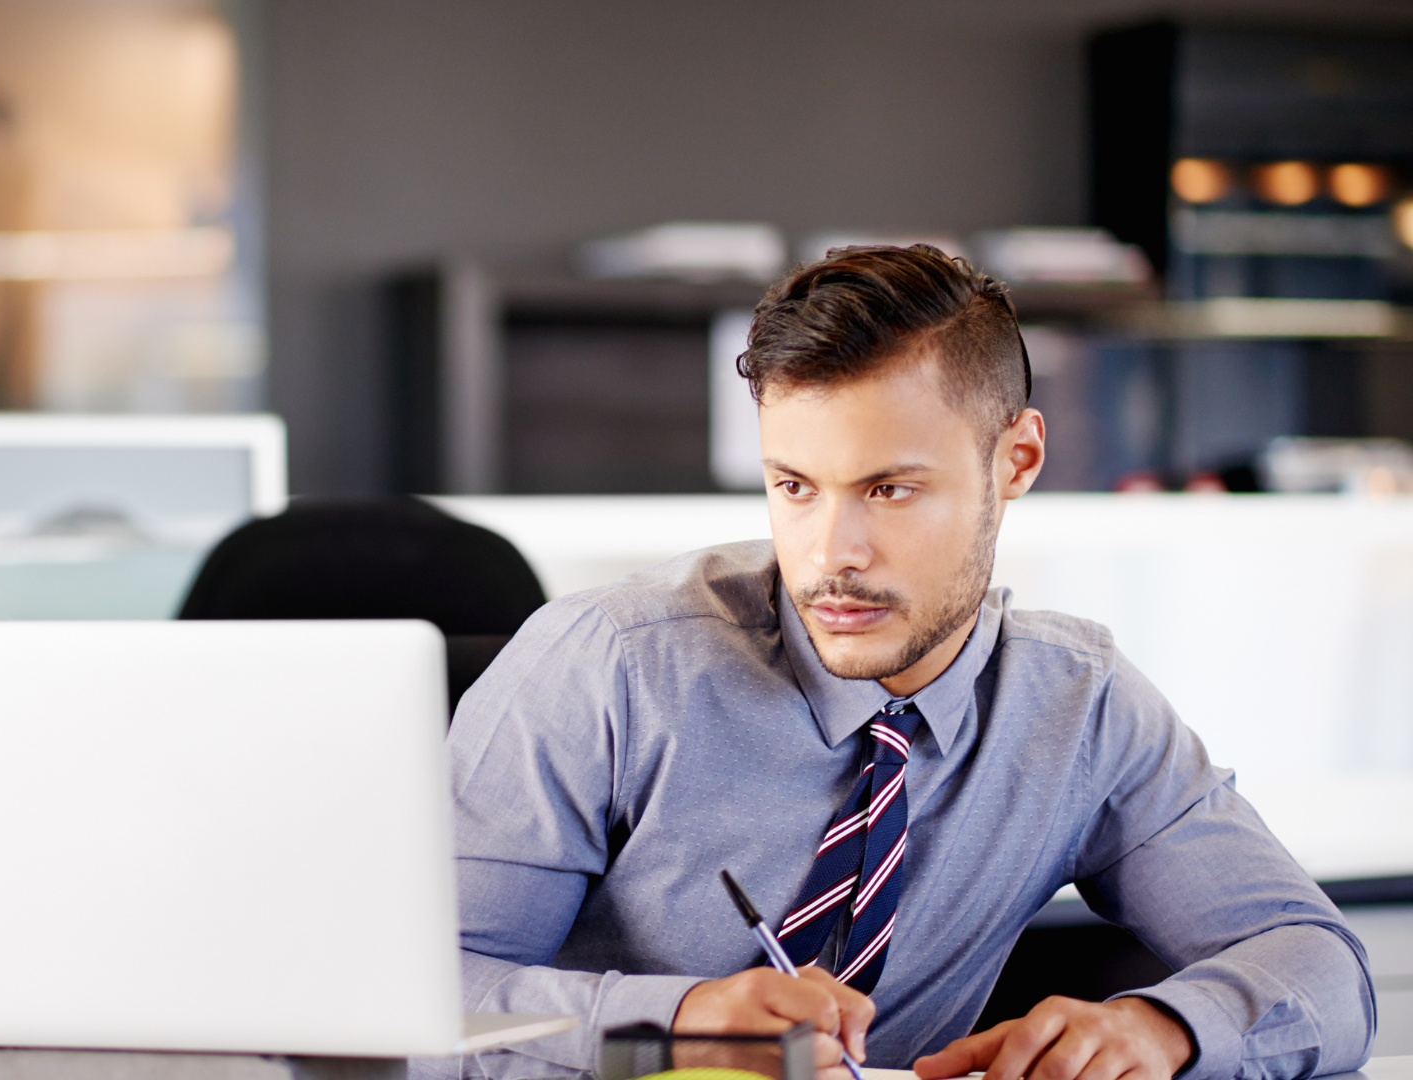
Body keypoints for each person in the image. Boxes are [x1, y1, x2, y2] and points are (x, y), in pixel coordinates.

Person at [430, 246, 1374, 1080]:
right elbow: (416, 1006)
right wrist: (671, 1027)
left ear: (1017, 460)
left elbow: (1318, 966)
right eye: (795, 487)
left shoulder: (1077, 707)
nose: (832, 552)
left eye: (889, 489)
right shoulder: (610, 669)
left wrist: (1165, 1027)